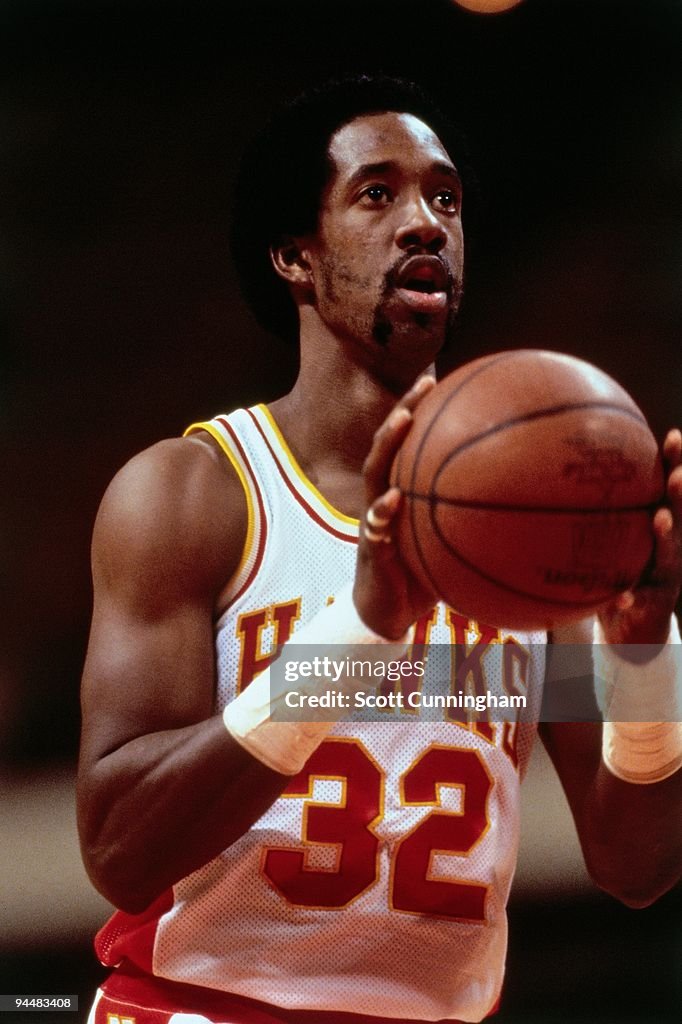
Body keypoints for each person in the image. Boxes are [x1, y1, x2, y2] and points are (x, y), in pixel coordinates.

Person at [77, 74, 682, 1024]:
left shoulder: (537, 537)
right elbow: (118, 848)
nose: (424, 222)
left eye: (444, 197)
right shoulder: (194, 494)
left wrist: (650, 658)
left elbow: (635, 864)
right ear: (295, 257)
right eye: (377, 193)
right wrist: (358, 633)